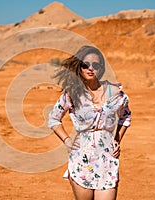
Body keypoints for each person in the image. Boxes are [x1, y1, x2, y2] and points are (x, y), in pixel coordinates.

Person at [48, 45, 132, 200]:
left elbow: (125, 116)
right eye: (85, 64)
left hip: (107, 158)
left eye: (96, 65)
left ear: (101, 68)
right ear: (79, 67)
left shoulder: (114, 92)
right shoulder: (73, 93)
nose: (90, 68)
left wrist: (117, 139)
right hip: (81, 157)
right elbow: (54, 118)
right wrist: (67, 140)